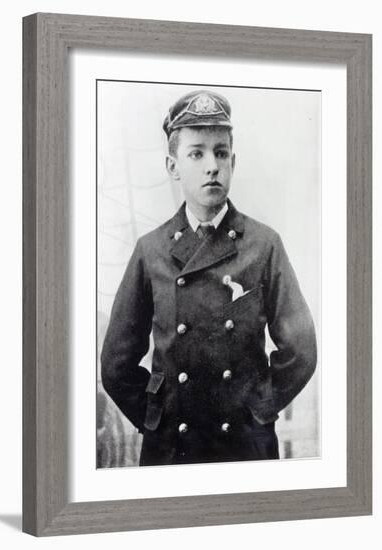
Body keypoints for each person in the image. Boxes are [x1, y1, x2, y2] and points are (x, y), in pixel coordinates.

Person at [101, 89, 317, 466]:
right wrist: (157, 419)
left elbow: (301, 351)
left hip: (244, 446)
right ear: (173, 167)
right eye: (196, 153)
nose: (211, 166)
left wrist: (258, 409)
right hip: (172, 449)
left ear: (233, 161)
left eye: (220, 153)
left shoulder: (264, 245)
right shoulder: (150, 251)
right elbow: (116, 365)